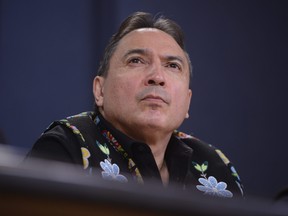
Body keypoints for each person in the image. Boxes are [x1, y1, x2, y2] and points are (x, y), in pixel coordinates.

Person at [27, 11, 243, 198]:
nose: (157, 76)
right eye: (136, 60)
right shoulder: (66, 147)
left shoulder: (216, 167)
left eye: (172, 65)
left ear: (187, 101)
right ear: (99, 90)